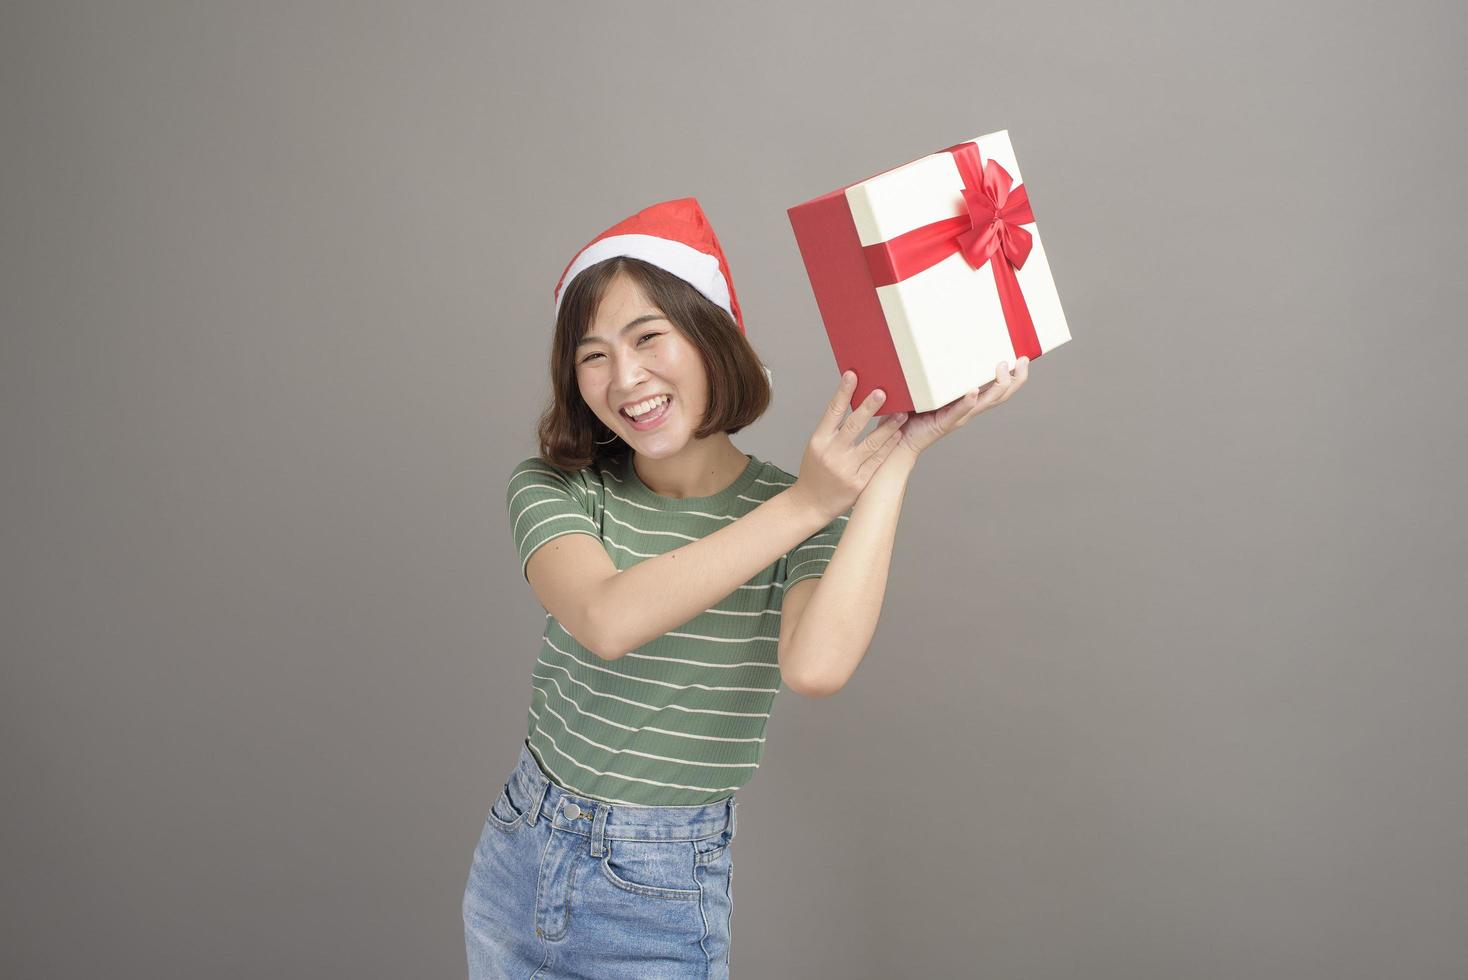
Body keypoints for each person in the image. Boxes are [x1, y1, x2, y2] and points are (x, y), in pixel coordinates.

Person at [462, 197, 1030, 978]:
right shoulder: (558, 488)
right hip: (519, 853)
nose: (625, 377)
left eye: (649, 337)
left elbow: (816, 667)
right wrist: (810, 502)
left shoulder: (797, 513)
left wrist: (899, 453)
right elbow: (605, 619)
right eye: (592, 355)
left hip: (658, 887)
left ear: (711, 338)